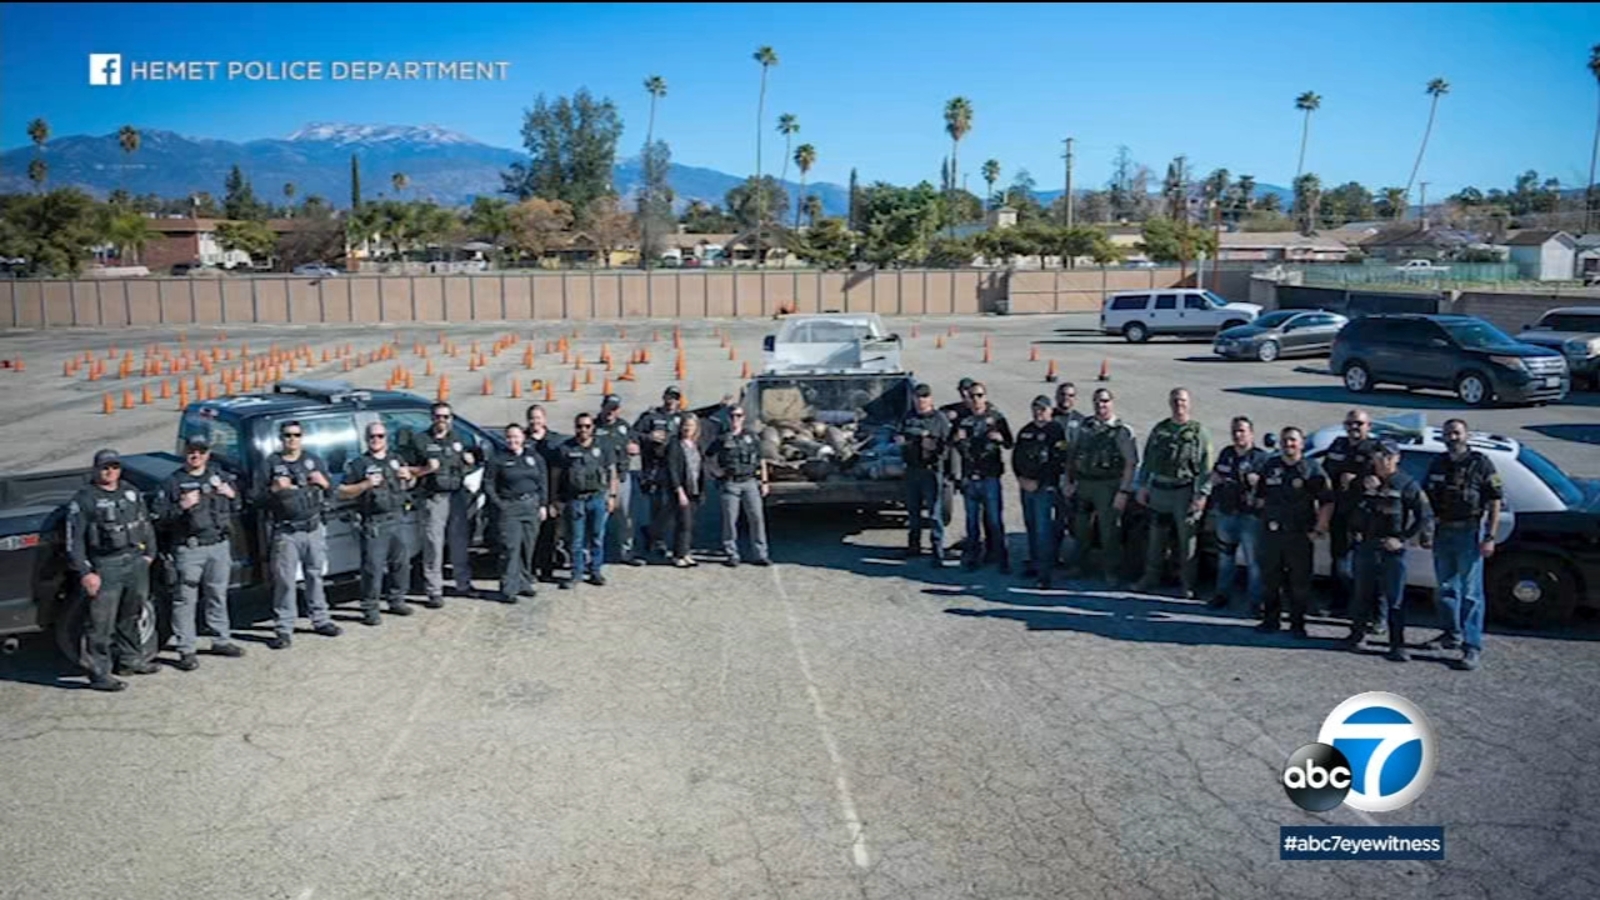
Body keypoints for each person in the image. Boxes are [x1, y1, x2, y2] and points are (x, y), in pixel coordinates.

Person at [65, 450, 159, 691]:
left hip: (135, 562)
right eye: (105, 467)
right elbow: (74, 541)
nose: (110, 472)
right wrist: (86, 572)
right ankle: (99, 673)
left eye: (114, 467)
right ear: (95, 469)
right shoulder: (85, 499)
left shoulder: (130, 492)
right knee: (101, 624)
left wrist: (149, 554)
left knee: (132, 614)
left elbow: (145, 523)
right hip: (106, 566)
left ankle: (131, 660)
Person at [153, 434, 244, 669]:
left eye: (201, 451)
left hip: (219, 545)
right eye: (192, 451)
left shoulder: (219, 477)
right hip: (189, 548)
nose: (196, 455)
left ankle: (221, 640)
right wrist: (182, 506)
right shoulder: (173, 482)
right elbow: (159, 518)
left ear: (208, 454)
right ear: (185, 453)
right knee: (185, 600)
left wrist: (231, 495)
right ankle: (186, 649)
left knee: (217, 594)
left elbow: (238, 505)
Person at [1421, 418, 1502, 671]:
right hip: (1443, 531)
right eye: (1448, 434)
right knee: (1445, 589)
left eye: (1456, 433)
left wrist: (1490, 537)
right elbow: (1426, 498)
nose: (1452, 437)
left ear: (1467, 435)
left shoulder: (1481, 463)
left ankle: (1471, 646)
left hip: (1470, 532)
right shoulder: (1438, 462)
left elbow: (1495, 501)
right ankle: (1451, 634)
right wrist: (1427, 529)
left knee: (1471, 594)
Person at [1340, 440, 1432, 661]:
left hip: (1391, 549)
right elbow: (1346, 506)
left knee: (1395, 600)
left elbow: (1424, 515)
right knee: (1361, 594)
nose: (1383, 461)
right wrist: (1360, 487)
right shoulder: (1364, 480)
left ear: (1397, 458)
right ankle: (1356, 636)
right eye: (1379, 456)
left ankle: (1397, 645)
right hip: (1366, 545)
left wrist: (1403, 539)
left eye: (1388, 456)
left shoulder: (1406, 483)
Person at [264, 422, 342, 650]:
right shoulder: (271, 463)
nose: (292, 439)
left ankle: (321, 620)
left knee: (315, 575)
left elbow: (331, 491)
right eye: (287, 435)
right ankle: (284, 628)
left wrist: (323, 482)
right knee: (285, 581)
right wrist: (275, 489)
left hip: (313, 528)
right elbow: (254, 497)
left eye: (296, 435)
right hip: (286, 531)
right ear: (281, 438)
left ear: (302, 437)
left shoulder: (313, 460)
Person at [1252, 427, 1334, 638]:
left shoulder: (1311, 468)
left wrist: (1319, 528)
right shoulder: (1271, 466)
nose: (1288, 444)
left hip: (1299, 535)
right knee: (1270, 580)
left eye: (1292, 440)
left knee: (1299, 583)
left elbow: (1327, 501)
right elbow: (1260, 497)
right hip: (1272, 534)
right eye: (1285, 441)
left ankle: (1297, 624)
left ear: (1301, 443)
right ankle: (1271, 620)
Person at [1133, 388, 1213, 598]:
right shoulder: (1160, 429)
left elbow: (1206, 466)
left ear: (1189, 403)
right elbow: (1148, 459)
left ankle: (1187, 584)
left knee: (1187, 541)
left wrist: (1202, 494)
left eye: (1183, 401)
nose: (1179, 404)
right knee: (1155, 539)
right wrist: (1142, 486)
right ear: (1170, 403)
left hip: (1184, 492)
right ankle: (1150, 578)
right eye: (1176, 400)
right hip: (1160, 490)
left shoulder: (1199, 432)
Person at [338, 422, 417, 626]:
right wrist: (365, 484)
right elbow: (343, 492)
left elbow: (409, 484)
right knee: (373, 568)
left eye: (380, 436)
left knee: (401, 564)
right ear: (366, 439)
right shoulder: (359, 464)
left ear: (386, 438)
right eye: (372, 436)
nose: (376, 440)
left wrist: (409, 478)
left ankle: (397, 600)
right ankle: (370, 608)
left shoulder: (396, 459)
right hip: (374, 523)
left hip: (397, 518)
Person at [1065, 388, 1139, 587]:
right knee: (1080, 527)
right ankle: (1079, 565)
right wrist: (1068, 481)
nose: (1101, 405)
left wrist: (1123, 491)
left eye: (1105, 401)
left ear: (1112, 402)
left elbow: (1130, 463)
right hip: (1084, 484)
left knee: (1109, 530)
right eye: (1097, 401)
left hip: (1108, 486)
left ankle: (1110, 570)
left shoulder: (1122, 431)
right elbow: (1072, 454)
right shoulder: (1084, 426)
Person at [1323, 408, 1382, 631]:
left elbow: (1381, 479)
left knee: (1367, 569)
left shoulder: (1376, 449)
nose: (1353, 427)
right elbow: (1323, 474)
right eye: (1349, 424)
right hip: (1339, 514)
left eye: (1358, 423)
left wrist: (1355, 480)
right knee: (1339, 564)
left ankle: (1374, 614)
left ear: (1369, 426)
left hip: (1366, 518)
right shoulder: (1338, 445)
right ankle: (1340, 605)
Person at [415, 402, 478, 606]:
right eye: (438, 416)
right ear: (432, 418)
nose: (442, 420)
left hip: (456, 496)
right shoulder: (421, 440)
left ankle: (463, 584)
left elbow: (468, 462)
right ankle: (434, 590)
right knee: (433, 545)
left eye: (446, 417)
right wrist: (426, 469)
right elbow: (407, 469)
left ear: (451, 419)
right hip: (434, 498)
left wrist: (469, 461)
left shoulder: (458, 438)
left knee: (459, 542)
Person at [1206, 416, 1269, 613]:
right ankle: (1222, 595)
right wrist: (1215, 480)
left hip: (1250, 517)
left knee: (1254, 562)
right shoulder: (1227, 453)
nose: (1238, 435)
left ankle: (1256, 601)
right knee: (1225, 558)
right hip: (1227, 513)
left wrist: (1257, 482)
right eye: (1235, 431)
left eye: (1242, 431)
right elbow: (1216, 475)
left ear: (1251, 433)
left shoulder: (1261, 458)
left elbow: (1270, 488)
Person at [484, 423, 548, 603]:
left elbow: (543, 481)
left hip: (531, 505)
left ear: (523, 438)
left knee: (528, 547)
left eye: (516, 436)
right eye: (509, 437)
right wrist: (499, 504)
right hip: (510, 507)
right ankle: (508, 588)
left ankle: (524, 583)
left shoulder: (534, 457)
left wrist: (543, 504)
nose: (513, 440)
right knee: (510, 548)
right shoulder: (498, 459)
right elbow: (488, 484)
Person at [953, 382, 1014, 572]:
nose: (976, 399)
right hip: (970, 476)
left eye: (979, 395)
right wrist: (957, 439)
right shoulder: (963, 420)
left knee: (994, 520)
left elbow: (1010, 443)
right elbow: (951, 443)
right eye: (972, 396)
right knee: (972, 522)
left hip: (990, 476)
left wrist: (1000, 438)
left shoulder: (996, 418)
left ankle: (1001, 558)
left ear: (985, 397)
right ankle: (973, 557)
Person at [556, 412, 617, 588]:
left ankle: (595, 571)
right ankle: (576, 573)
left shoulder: (603, 446)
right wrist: (556, 499)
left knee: (597, 537)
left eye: (587, 426)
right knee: (576, 539)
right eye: (580, 426)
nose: (583, 429)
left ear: (593, 427)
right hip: (575, 500)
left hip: (597, 498)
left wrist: (612, 496)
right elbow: (556, 475)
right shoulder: (566, 448)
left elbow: (612, 472)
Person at [896, 382, 954, 567]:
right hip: (912, 470)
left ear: (930, 399)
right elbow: (899, 435)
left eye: (924, 397)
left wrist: (934, 447)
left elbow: (949, 445)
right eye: (918, 398)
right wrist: (901, 441)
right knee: (913, 512)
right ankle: (914, 547)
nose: (921, 401)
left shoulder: (939, 419)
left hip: (931, 471)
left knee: (934, 514)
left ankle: (937, 551)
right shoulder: (908, 417)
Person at [1013, 395, 1067, 588]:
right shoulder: (1025, 431)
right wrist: (1021, 478)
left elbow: (1058, 460)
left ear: (1050, 411)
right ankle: (1034, 564)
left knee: (1043, 530)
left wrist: (1039, 482)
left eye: (1043, 409)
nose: (1039, 412)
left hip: (1045, 488)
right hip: (1026, 486)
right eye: (1035, 408)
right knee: (1031, 526)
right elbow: (1016, 457)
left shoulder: (1056, 431)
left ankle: (1044, 574)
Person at [708, 404, 771, 567]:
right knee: (730, 520)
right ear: (728, 418)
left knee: (757, 518)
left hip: (750, 482)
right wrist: (716, 472)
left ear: (743, 418)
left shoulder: (752, 436)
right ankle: (732, 553)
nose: (735, 419)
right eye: (732, 416)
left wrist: (764, 482)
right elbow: (708, 457)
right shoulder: (722, 439)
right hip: (730, 483)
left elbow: (761, 460)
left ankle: (760, 554)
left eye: (739, 416)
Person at [634, 387, 687, 559]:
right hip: (655, 467)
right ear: (663, 397)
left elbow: (697, 421)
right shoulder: (651, 416)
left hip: (676, 467)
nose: (672, 401)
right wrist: (649, 437)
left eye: (675, 398)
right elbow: (634, 433)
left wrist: (720, 406)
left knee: (673, 505)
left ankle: (652, 531)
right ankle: (658, 541)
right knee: (657, 505)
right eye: (669, 397)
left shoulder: (682, 417)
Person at [595, 394, 645, 567]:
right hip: (601, 480)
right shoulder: (593, 426)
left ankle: (627, 552)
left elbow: (635, 444)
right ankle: (594, 556)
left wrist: (635, 448)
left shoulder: (623, 426)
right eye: (608, 408)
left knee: (626, 517)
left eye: (614, 409)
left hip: (622, 477)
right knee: (599, 519)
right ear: (602, 407)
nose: (610, 412)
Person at [525, 405, 567, 585]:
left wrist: (555, 500)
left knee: (549, 534)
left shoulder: (554, 441)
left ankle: (547, 569)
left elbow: (560, 472)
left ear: (544, 419)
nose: (535, 421)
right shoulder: (523, 440)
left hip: (551, 494)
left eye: (538, 417)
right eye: (532, 418)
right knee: (531, 535)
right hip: (530, 495)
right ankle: (530, 569)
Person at [1052, 382, 1086, 565]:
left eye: (1070, 395)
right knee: (1055, 521)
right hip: (1052, 476)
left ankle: (1077, 560)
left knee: (1076, 520)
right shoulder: (1049, 417)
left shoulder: (1082, 421)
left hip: (1074, 479)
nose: (1066, 398)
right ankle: (1052, 556)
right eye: (1063, 394)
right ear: (1057, 396)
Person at [665, 416, 706, 567]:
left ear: (696, 428)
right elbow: (672, 469)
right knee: (684, 523)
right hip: (681, 490)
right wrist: (679, 490)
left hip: (694, 489)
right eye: (685, 425)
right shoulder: (675, 444)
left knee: (690, 524)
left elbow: (700, 467)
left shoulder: (696, 445)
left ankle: (686, 552)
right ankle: (678, 555)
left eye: (691, 426)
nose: (688, 428)